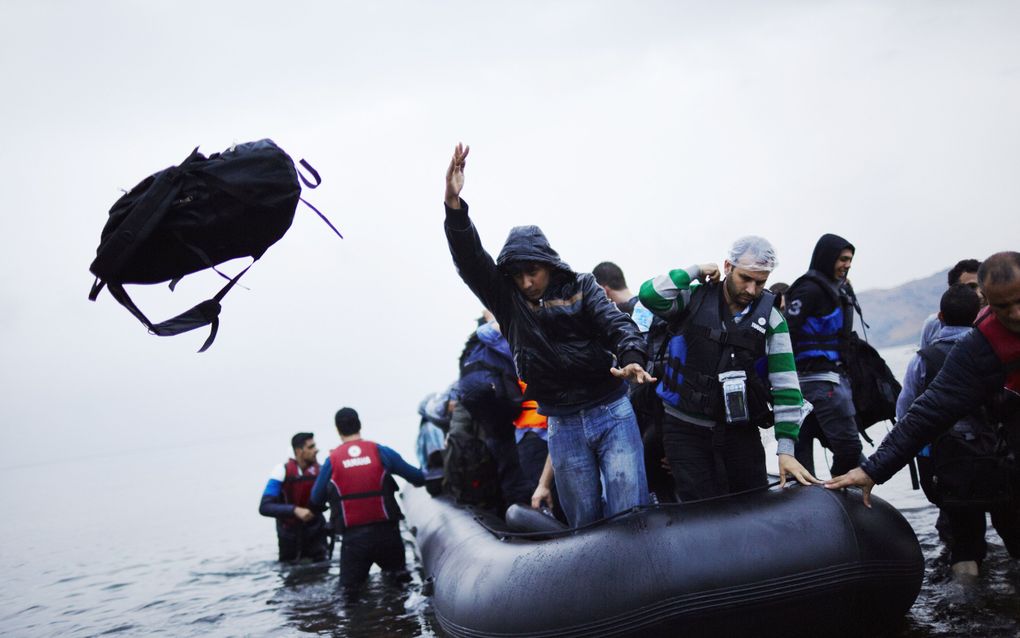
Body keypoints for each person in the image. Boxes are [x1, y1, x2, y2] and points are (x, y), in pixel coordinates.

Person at [443, 143, 653, 527]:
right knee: (584, 518)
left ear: (548, 264)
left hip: (610, 409)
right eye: (518, 275)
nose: (527, 283)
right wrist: (454, 206)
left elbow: (618, 326)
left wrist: (632, 357)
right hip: (562, 421)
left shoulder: (583, 286)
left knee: (629, 509)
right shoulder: (507, 301)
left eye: (533, 272)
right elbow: (471, 261)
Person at [827, 252, 1020, 575]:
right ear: (985, 302)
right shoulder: (980, 348)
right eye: (1002, 307)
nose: (1015, 314)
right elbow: (928, 411)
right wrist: (873, 469)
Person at [637, 237, 818, 500]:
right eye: (745, 278)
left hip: (740, 432)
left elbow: (786, 386)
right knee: (697, 510)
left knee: (753, 504)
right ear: (728, 266)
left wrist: (786, 450)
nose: (752, 289)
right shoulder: (692, 298)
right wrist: (695, 271)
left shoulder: (772, 318)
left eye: (761, 282)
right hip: (683, 429)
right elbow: (649, 294)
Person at [901, 283, 999, 577]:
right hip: (993, 457)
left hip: (946, 462)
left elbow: (905, 412)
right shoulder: (992, 353)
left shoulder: (922, 359)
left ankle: (965, 607)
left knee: (964, 541)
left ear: (940, 317)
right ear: (978, 316)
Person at [308, 408, 425, 593]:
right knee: (401, 587)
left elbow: (315, 499)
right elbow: (417, 477)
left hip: (354, 542)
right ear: (360, 425)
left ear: (338, 430)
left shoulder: (333, 460)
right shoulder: (381, 451)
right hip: (388, 535)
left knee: (350, 597)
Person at [785, 233, 864, 477]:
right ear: (827, 257)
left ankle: (828, 494)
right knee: (850, 447)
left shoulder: (837, 288)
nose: (847, 265)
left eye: (850, 260)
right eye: (842, 259)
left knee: (809, 450)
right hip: (817, 382)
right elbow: (787, 331)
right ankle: (834, 489)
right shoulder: (809, 289)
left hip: (827, 379)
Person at [259, 432, 329, 562]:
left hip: (316, 535)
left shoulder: (322, 471)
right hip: (289, 537)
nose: (316, 450)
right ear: (299, 451)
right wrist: (295, 510)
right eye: (311, 447)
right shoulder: (281, 471)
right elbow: (265, 507)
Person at [919, 259, 983, 348]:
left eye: (983, 286)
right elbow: (924, 359)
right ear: (954, 290)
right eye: (971, 287)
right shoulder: (933, 325)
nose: (979, 294)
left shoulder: (999, 319)